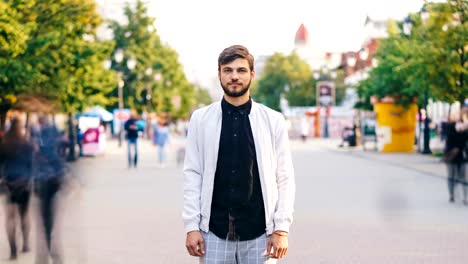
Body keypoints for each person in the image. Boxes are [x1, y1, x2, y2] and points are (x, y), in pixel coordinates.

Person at [183, 45, 295, 263]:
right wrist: (191, 226)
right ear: (219, 74)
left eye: (241, 70)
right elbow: (192, 174)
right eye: (228, 70)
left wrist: (281, 229)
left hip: (260, 234)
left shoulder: (273, 121)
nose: (234, 76)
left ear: (252, 74)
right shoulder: (201, 119)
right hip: (213, 232)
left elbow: (285, 176)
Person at [32, 115, 67, 264]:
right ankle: (52, 254)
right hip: (53, 182)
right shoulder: (52, 136)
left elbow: (36, 161)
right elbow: (58, 160)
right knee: (49, 219)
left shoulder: (40, 138)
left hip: (44, 183)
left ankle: (45, 255)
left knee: (45, 220)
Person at [0, 118, 34, 260]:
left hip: (8, 183)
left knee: (10, 217)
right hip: (24, 183)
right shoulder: (26, 144)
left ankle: (13, 250)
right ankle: (25, 244)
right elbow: (32, 166)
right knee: (24, 215)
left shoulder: (4, 145)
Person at [443, 110, 468, 205]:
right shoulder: (451, 126)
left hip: (462, 155)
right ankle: (451, 195)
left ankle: (465, 197)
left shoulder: (466, 129)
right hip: (451, 155)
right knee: (451, 176)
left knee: (464, 177)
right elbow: (450, 139)